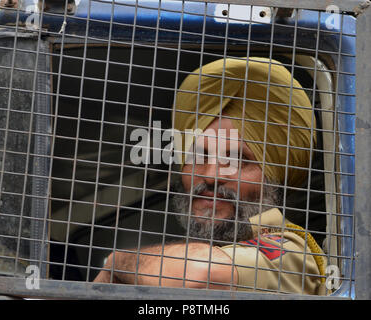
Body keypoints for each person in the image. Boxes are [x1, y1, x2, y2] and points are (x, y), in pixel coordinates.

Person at [93, 57, 327, 295]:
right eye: (198, 156)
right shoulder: (171, 267)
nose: (212, 175)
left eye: (237, 159)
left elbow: (201, 274)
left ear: (272, 177)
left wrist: (117, 262)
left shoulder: (291, 251)